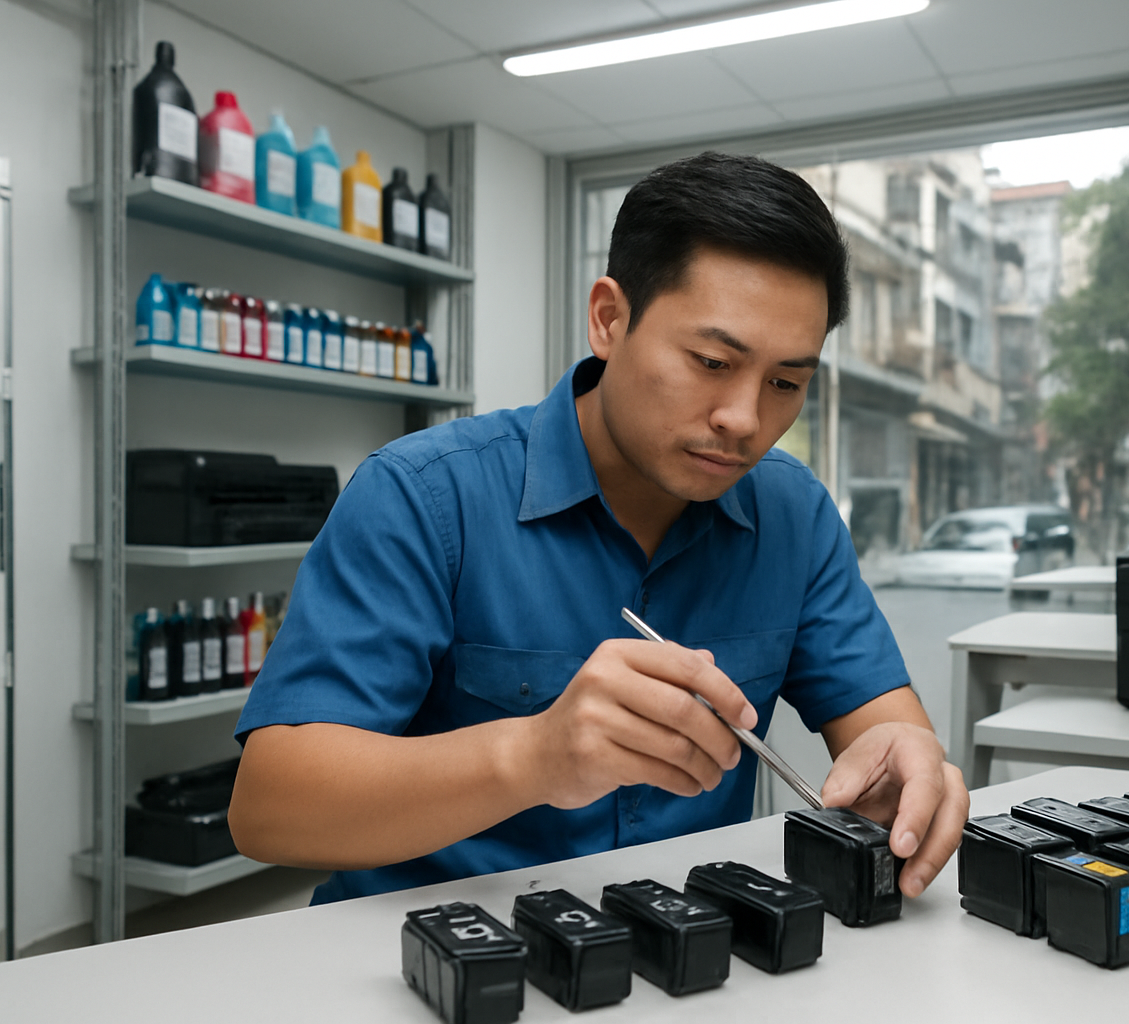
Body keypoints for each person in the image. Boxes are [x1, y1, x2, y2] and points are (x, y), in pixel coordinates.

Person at [228, 151, 969, 904]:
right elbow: (270, 810)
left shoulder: (793, 516)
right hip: (431, 955)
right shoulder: (423, 495)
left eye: (785, 383)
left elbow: (888, 736)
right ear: (610, 319)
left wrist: (912, 770)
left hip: (684, 956)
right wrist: (532, 756)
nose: (745, 419)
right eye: (712, 361)